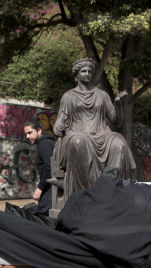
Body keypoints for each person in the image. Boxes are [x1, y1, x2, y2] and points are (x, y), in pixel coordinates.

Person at [49, 57, 136, 203]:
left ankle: (112, 190)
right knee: (78, 141)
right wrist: (58, 127)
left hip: (102, 133)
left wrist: (117, 104)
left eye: (90, 71)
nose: (88, 74)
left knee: (119, 145)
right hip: (78, 134)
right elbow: (60, 120)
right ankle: (85, 195)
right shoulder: (68, 96)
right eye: (84, 71)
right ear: (77, 75)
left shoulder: (102, 95)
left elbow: (116, 121)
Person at [24, 117, 55, 215]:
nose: (27, 136)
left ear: (39, 130)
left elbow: (50, 167)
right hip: (52, 189)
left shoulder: (44, 144)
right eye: (26, 134)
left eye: (30, 133)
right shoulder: (47, 142)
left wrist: (39, 188)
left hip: (50, 190)